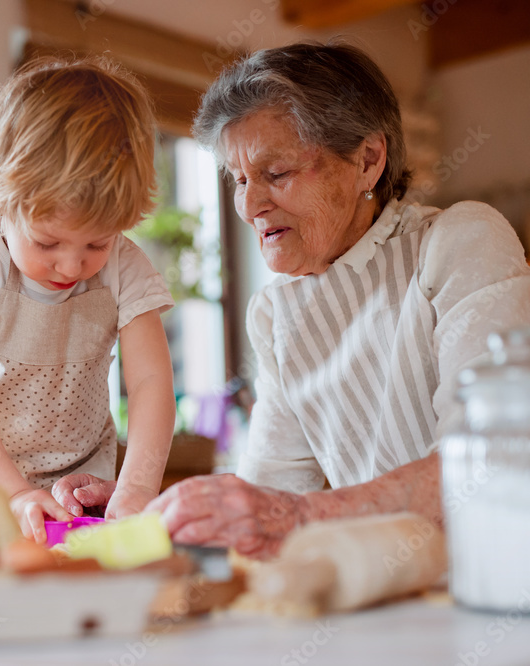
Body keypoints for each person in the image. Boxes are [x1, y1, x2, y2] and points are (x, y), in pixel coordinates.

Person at [57, 42, 530, 558]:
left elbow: (494, 456)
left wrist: (300, 516)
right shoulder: (278, 312)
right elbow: (269, 496)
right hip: (407, 592)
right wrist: (151, 510)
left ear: (367, 160)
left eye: (276, 173)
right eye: (239, 180)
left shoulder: (461, 241)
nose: (251, 204)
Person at [0, 56, 176, 544]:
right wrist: (13, 493)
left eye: (97, 244)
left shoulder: (127, 266)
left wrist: (137, 487)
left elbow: (149, 383)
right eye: (47, 243)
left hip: (78, 481)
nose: (73, 266)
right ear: (1, 203)